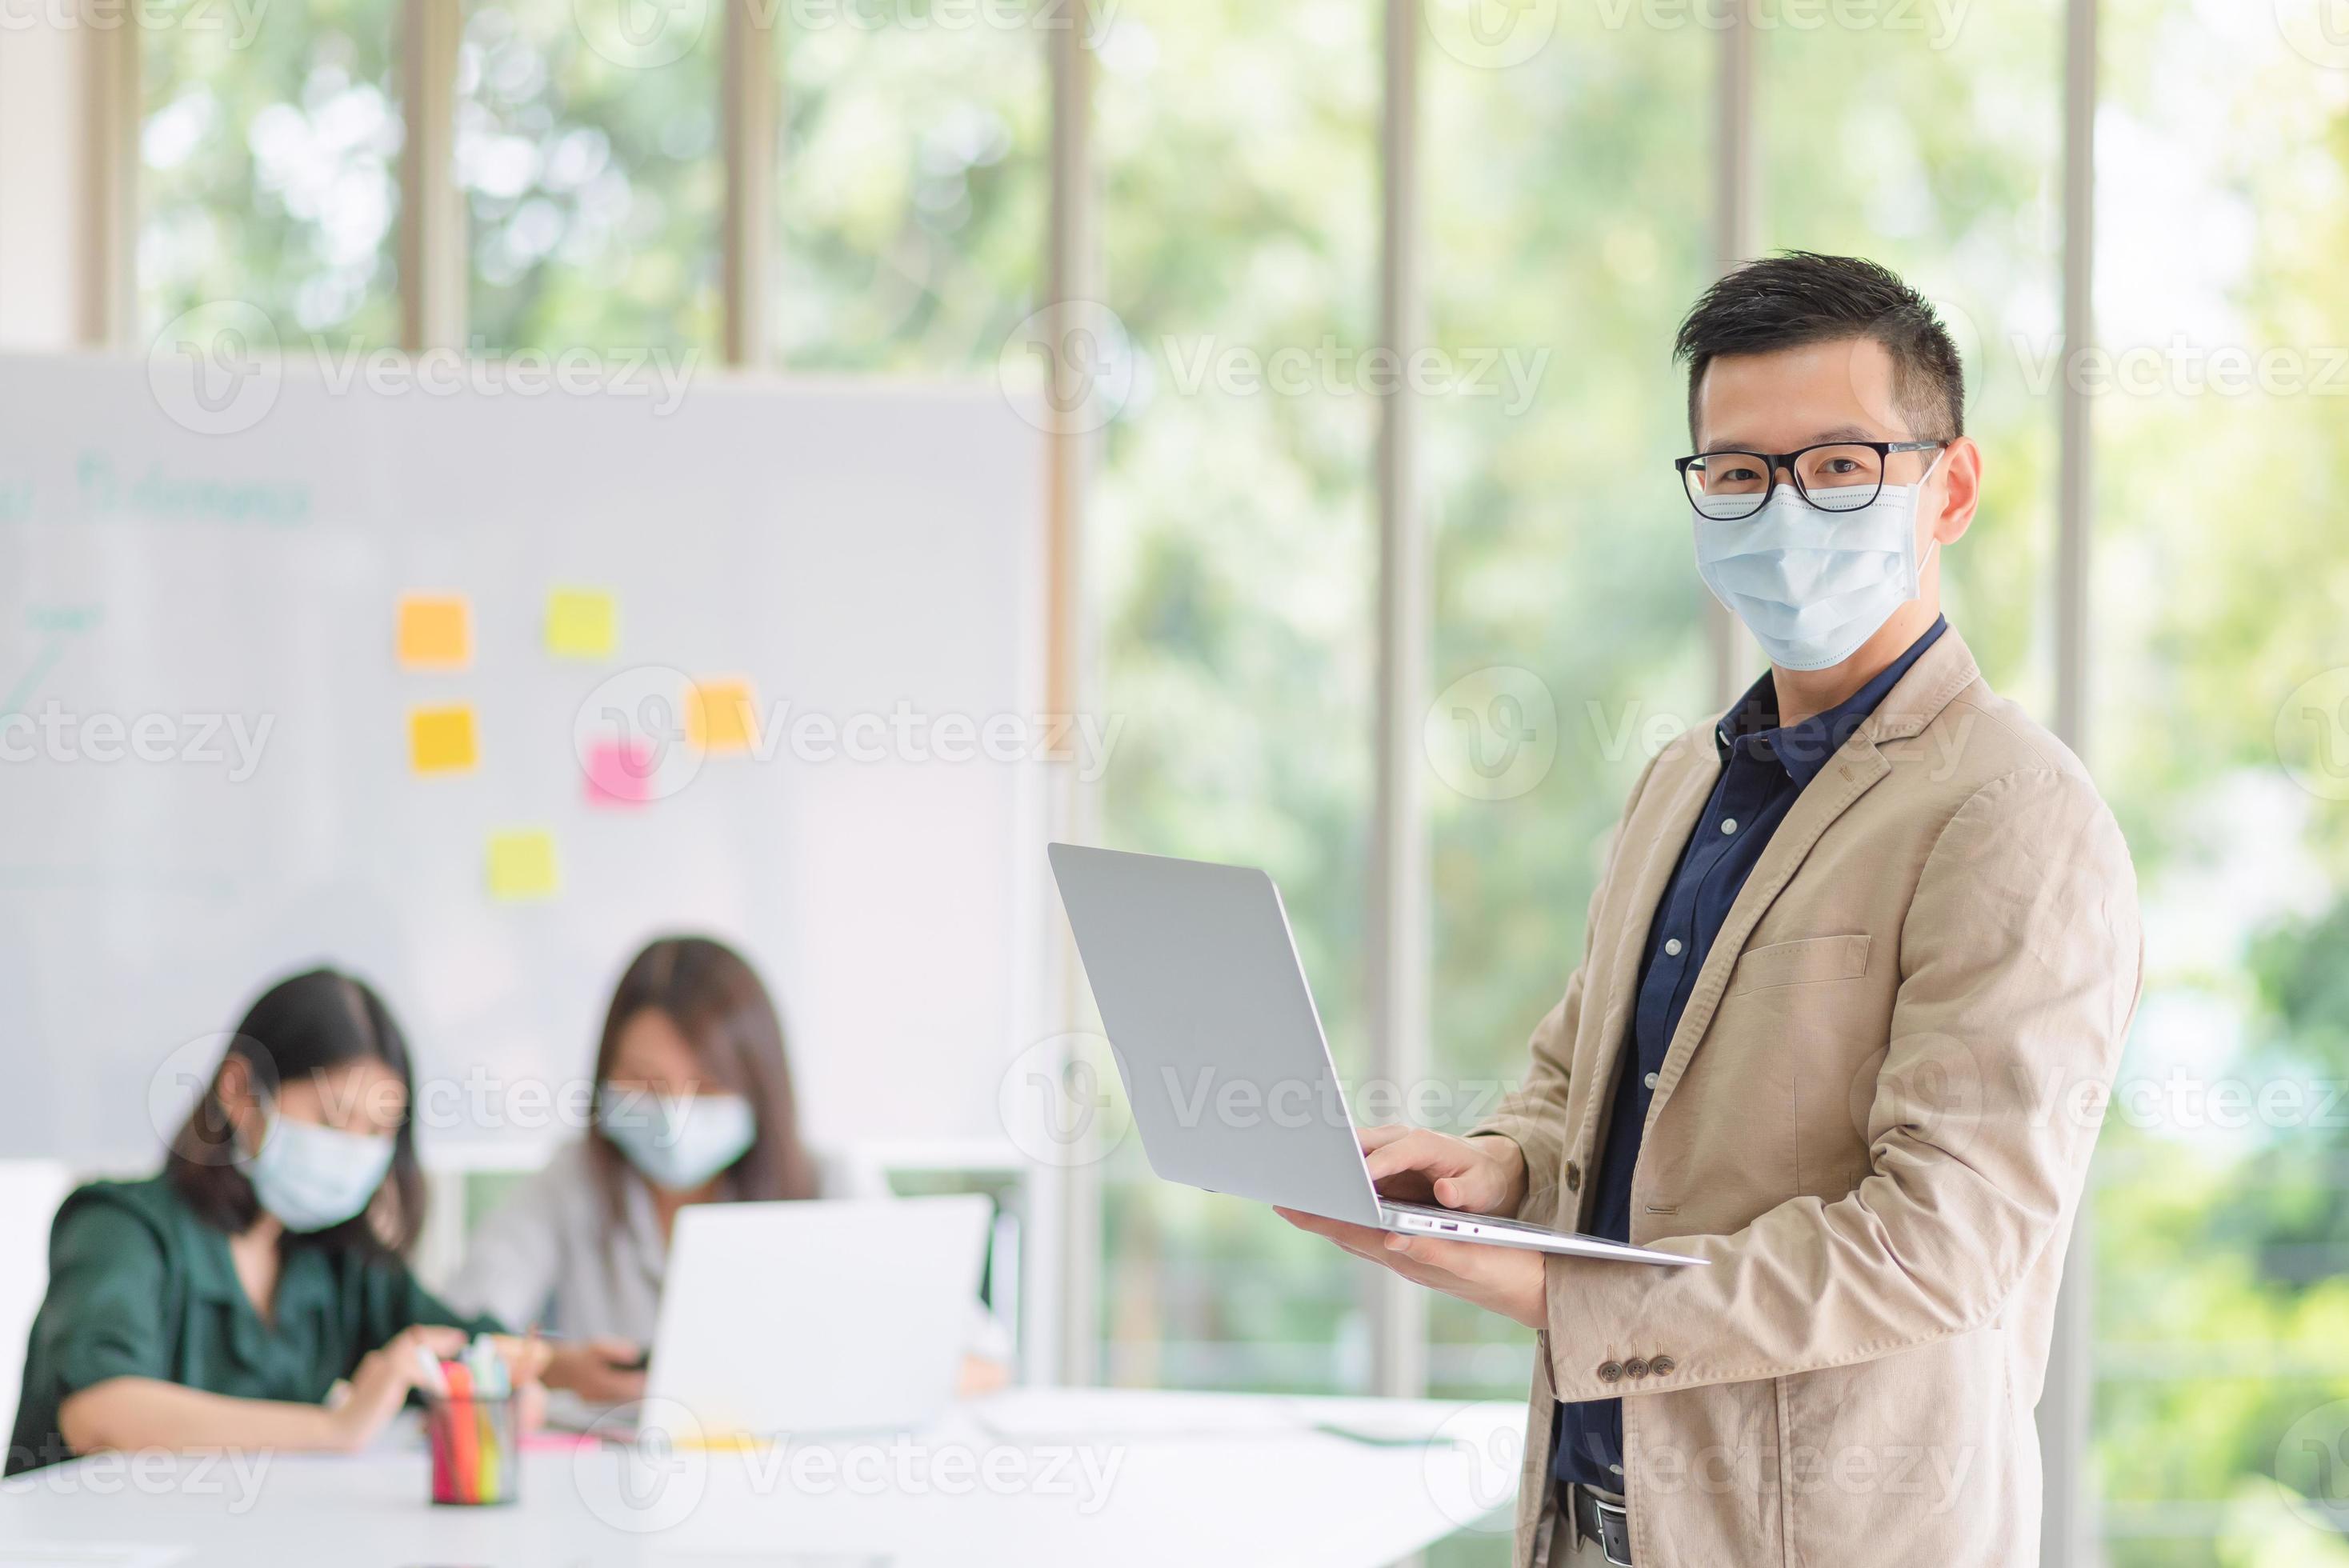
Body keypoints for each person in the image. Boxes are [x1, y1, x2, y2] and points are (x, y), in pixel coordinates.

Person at [1280, 254, 2143, 1566]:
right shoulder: (1684, 779)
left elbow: (1939, 1245)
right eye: (1739, 474)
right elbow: (1580, 1079)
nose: (1783, 510)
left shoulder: (2014, 812)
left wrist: (1558, 1293)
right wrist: (1497, 1169)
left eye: (1840, 466)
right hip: (1592, 1522)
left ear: (1951, 488)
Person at [6, 968, 544, 1476]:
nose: (353, 1151)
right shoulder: (120, 1227)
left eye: (377, 1132)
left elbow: (462, 1343)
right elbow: (100, 1415)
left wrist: (509, 1382)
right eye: (332, 1119)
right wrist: (334, 1429)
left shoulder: (335, 1259)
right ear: (240, 1092)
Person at [448, 934, 1010, 1402]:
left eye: (708, 1086)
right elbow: (453, 1337)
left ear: (757, 1088)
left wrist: (827, 1385)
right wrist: (558, 1369)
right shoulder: (572, 1182)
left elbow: (983, 1361)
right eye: (644, 1081)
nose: (674, 1114)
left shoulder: (831, 1184)